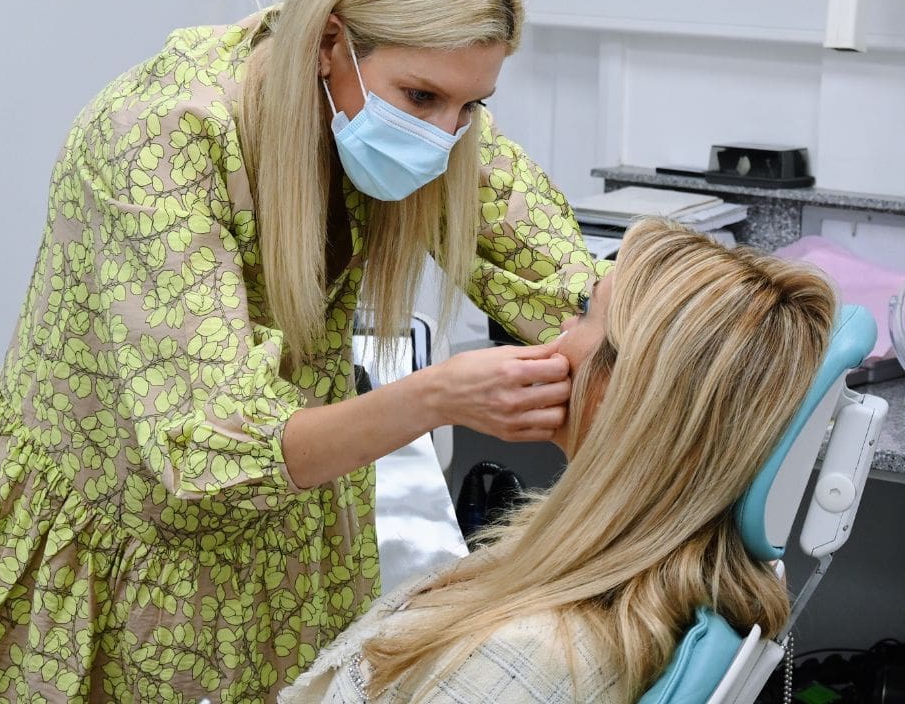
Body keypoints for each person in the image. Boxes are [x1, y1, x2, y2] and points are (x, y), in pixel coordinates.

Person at [0, 0, 611, 703]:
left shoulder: (422, 124)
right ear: (328, 42)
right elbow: (207, 449)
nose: (446, 135)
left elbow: (571, 282)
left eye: (471, 106)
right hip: (118, 537)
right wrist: (435, 398)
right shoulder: (156, 138)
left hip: (289, 537)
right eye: (421, 98)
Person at [280, 218, 838, 704]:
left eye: (586, 317)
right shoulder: (627, 569)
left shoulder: (520, 663)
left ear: (632, 395)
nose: (561, 332)